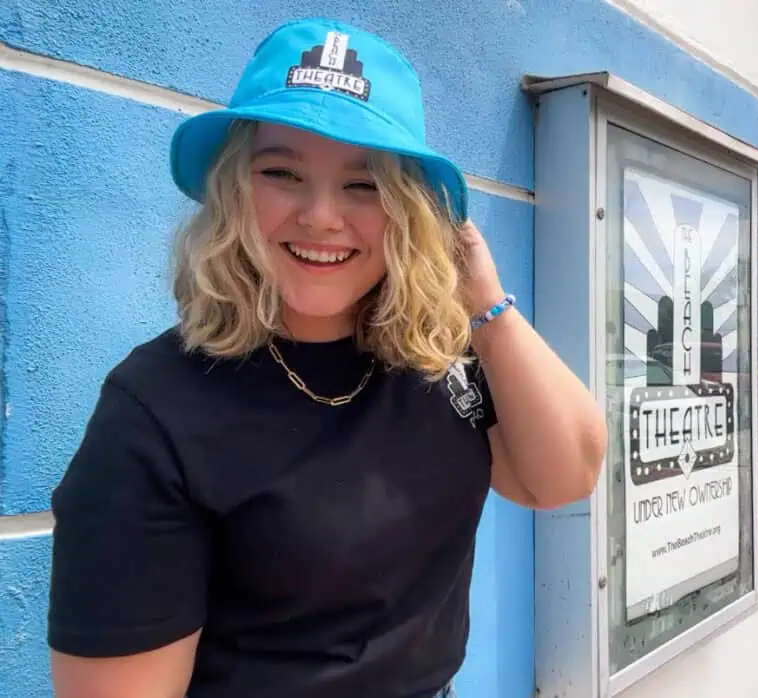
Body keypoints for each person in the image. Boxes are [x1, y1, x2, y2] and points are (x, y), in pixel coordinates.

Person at [45, 18, 607, 698]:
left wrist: (483, 300)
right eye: (282, 172)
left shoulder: (438, 355)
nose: (320, 216)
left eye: (363, 185)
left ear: (410, 210)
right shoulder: (154, 409)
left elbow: (564, 476)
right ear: (233, 193)